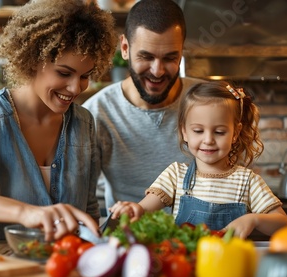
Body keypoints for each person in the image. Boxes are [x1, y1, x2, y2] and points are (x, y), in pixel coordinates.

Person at [0, 0, 118, 241]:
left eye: (85, 76)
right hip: (3, 266)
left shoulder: (83, 122)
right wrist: (27, 213)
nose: (75, 88)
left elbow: (88, 210)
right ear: (33, 60)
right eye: (64, 73)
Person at [109, 81, 287, 239]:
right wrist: (134, 209)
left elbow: (283, 224)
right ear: (184, 132)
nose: (208, 139)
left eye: (219, 132)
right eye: (198, 131)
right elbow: (144, 208)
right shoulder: (175, 175)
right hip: (184, 265)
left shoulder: (248, 182)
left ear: (235, 133)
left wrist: (254, 219)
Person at [83, 0, 204, 214]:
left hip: (201, 238)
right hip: (130, 238)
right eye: (146, 56)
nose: (157, 71)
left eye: (170, 57)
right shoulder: (97, 112)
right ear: (125, 48)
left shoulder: (207, 101)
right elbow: (83, 198)